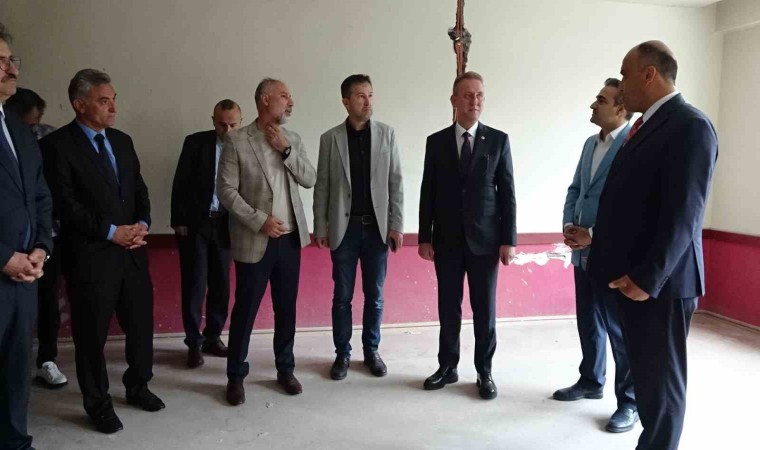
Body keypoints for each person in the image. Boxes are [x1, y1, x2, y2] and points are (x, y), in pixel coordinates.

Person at [567, 41, 718, 449]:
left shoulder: (690, 126)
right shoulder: (647, 126)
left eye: (625, 73)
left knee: (662, 387)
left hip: (661, 286)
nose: (622, 84)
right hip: (634, 281)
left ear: (649, 75)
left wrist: (648, 278)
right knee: (649, 385)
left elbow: (684, 215)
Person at [40, 69, 164, 434]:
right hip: (91, 258)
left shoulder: (122, 141)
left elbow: (138, 188)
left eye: (114, 100)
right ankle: (97, 403)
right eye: (104, 101)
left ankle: (138, 386)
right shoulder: (57, 146)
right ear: (79, 105)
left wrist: (143, 223)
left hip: (133, 253)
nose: (113, 108)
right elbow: (65, 204)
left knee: (140, 326)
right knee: (91, 335)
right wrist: (111, 232)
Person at [418, 71, 516, 400]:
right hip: (446, 241)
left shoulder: (498, 140)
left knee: (484, 310)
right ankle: (447, 366)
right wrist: (424, 236)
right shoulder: (436, 142)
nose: (474, 100)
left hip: (486, 243)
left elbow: (507, 194)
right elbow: (428, 192)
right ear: (454, 100)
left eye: (479, 95)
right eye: (468, 94)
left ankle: (484, 371)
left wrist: (508, 240)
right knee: (449, 308)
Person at [218, 78, 316, 405]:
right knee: (245, 310)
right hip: (255, 238)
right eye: (284, 96)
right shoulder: (237, 140)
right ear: (264, 99)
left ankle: (285, 370)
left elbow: (309, 178)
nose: (291, 102)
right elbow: (226, 191)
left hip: (289, 241)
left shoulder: (293, 139)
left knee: (286, 309)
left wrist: (285, 150)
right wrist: (260, 220)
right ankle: (235, 376)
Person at [555, 78, 637, 433]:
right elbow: (576, 189)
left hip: (611, 254)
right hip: (581, 252)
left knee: (618, 330)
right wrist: (569, 225)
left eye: (601, 100)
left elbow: (628, 206)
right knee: (587, 320)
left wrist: (594, 235)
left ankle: (630, 402)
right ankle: (591, 379)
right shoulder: (591, 143)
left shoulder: (632, 144)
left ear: (621, 108)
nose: (593, 104)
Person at [313, 74, 404, 380]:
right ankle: (342, 354)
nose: (368, 102)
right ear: (346, 101)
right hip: (345, 229)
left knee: (374, 295)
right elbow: (322, 186)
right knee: (342, 296)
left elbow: (396, 183)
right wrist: (321, 226)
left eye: (370, 95)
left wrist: (396, 224)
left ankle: (371, 351)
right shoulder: (330, 139)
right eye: (361, 96)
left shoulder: (387, 134)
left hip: (377, 229)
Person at [0, 22, 53, 450]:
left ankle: (15, 442)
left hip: (24, 277)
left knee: (16, 370)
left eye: (10, 60)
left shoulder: (19, 129)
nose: (11, 69)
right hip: (4, 266)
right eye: (0, 63)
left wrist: (40, 247)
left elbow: (40, 196)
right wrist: (4, 257)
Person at [171, 99, 241, 368]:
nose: (227, 130)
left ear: (241, 122)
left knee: (221, 284)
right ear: (213, 122)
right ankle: (193, 342)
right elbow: (180, 181)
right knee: (195, 284)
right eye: (222, 125)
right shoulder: (195, 143)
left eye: (233, 125)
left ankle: (213, 337)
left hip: (226, 225)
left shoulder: (247, 146)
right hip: (196, 225)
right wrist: (178, 220)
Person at [6, 86, 66, 389]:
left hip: (44, 240)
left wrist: (43, 244)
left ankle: (46, 360)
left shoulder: (49, 138)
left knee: (47, 300)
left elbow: (45, 193)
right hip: (8, 246)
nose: (35, 128)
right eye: (30, 122)